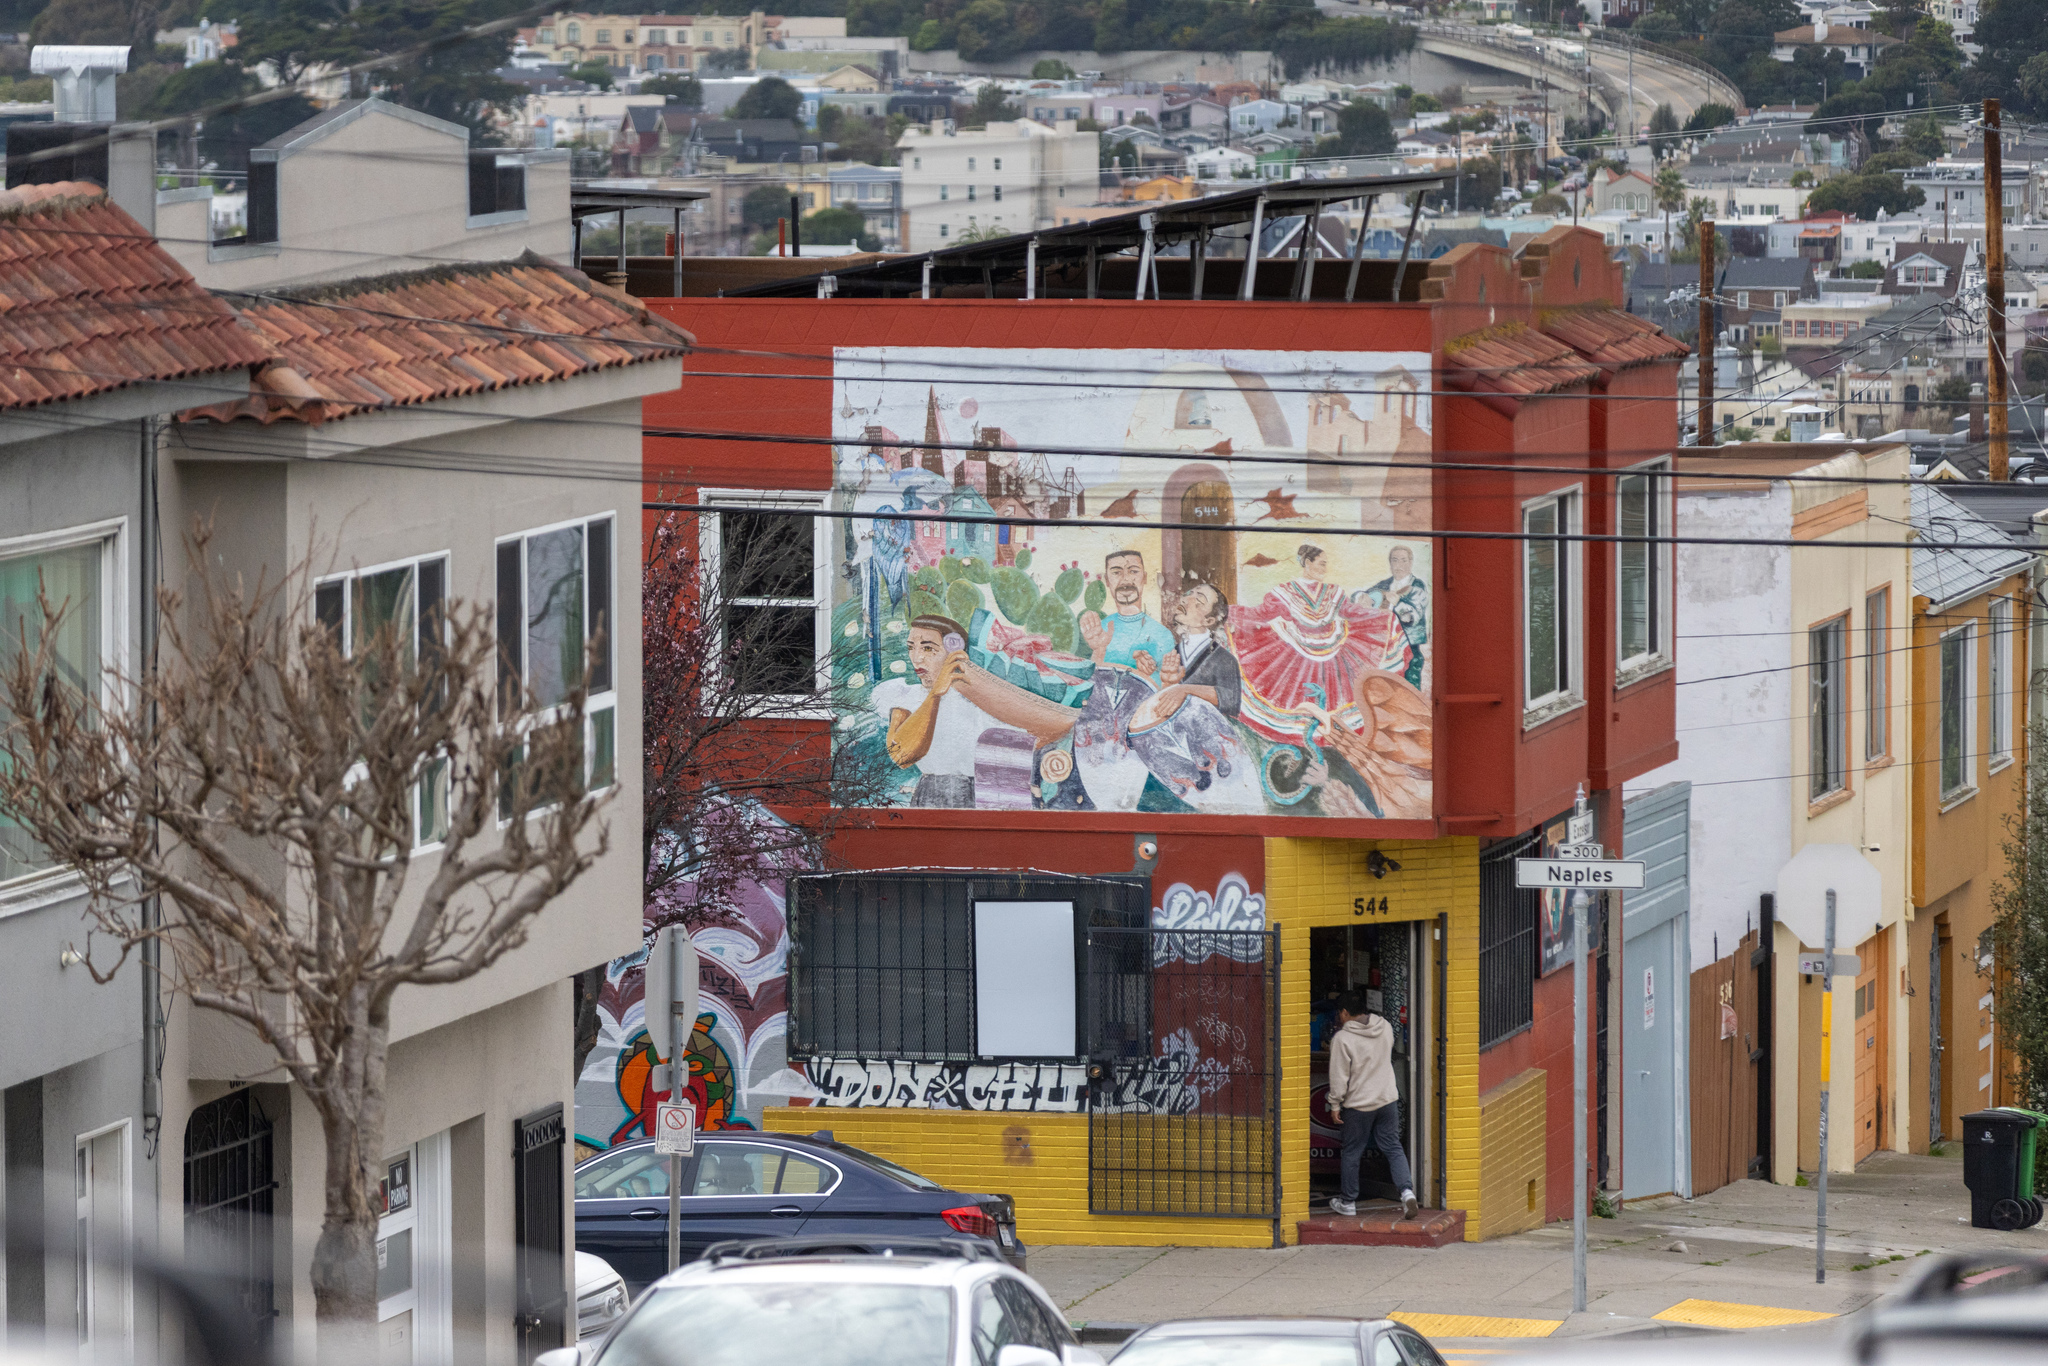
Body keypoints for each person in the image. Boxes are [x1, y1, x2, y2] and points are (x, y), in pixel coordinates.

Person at [1232, 544, 1407, 746]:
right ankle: (1303, 744)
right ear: (1307, 563)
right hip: (1297, 657)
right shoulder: (1284, 592)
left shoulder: (1333, 591)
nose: (1325, 568)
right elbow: (1260, 614)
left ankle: (1333, 744)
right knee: (1300, 705)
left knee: (1338, 702)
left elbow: (1351, 612)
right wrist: (1229, 612)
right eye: (1321, 563)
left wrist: (1384, 616)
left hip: (1335, 656)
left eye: (1326, 564)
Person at [871, 614, 999, 807]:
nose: (916, 658)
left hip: (983, 799)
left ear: (954, 651)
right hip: (931, 797)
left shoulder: (978, 698)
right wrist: (935, 694)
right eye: (911, 648)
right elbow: (901, 756)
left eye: (928, 648)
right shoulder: (905, 696)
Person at [1326, 989, 1417, 1220]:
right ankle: (1406, 1193)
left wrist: (1335, 1104)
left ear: (1345, 1013)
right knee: (1392, 1146)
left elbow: (1339, 1077)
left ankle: (1348, 1202)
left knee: (1352, 1152)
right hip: (1386, 1099)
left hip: (1359, 1104)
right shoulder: (1384, 1026)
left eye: (1340, 1013)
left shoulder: (1342, 1040)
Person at [1078, 549, 1176, 677]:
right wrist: (1098, 651)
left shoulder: (1163, 635)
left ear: (1144, 578)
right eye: (1116, 572)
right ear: (1107, 580)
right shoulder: (1095, 631)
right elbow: (1088, 682)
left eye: (1133, 571)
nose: (1125, 580)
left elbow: (1168, 689)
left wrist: (1147, 672)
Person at [1155, 582, 1241, 720]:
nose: (1185, 599)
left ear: (1209, 620)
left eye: (1199, 600)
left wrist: (1185, 690)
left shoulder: (1224, 659)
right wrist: (1167, 683)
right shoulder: (1174, 652)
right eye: (1189, 594)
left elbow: (1231, 700)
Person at [1355, 544, 1429, 689]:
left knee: (1409, 690)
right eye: (1395, 560)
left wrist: (1398, 603)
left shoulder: (1417, 586)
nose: (1399, 565)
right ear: (1390, 563)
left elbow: (1412, 618)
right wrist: (1360, 597)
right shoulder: (1384, 584)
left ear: (1411, 562)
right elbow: (1362, 598)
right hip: (1384, 647)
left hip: (1409, 647)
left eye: (1403, 560)